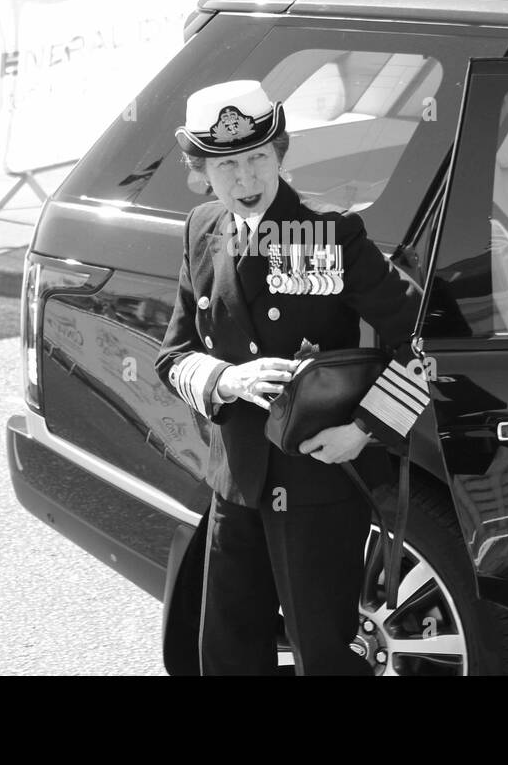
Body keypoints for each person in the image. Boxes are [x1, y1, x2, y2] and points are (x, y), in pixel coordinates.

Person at [155, 80, 429, 675]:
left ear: (280, 152)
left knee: (325, 658)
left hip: (319, 483)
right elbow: (173, 356)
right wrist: (228, 380)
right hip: (236, 483)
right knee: (227, 654)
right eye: (226, 165)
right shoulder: (202, 229)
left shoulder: (329, 234)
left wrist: (366, 428)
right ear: (201, 170)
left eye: (257, 158)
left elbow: (427, 339)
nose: (245, 180)